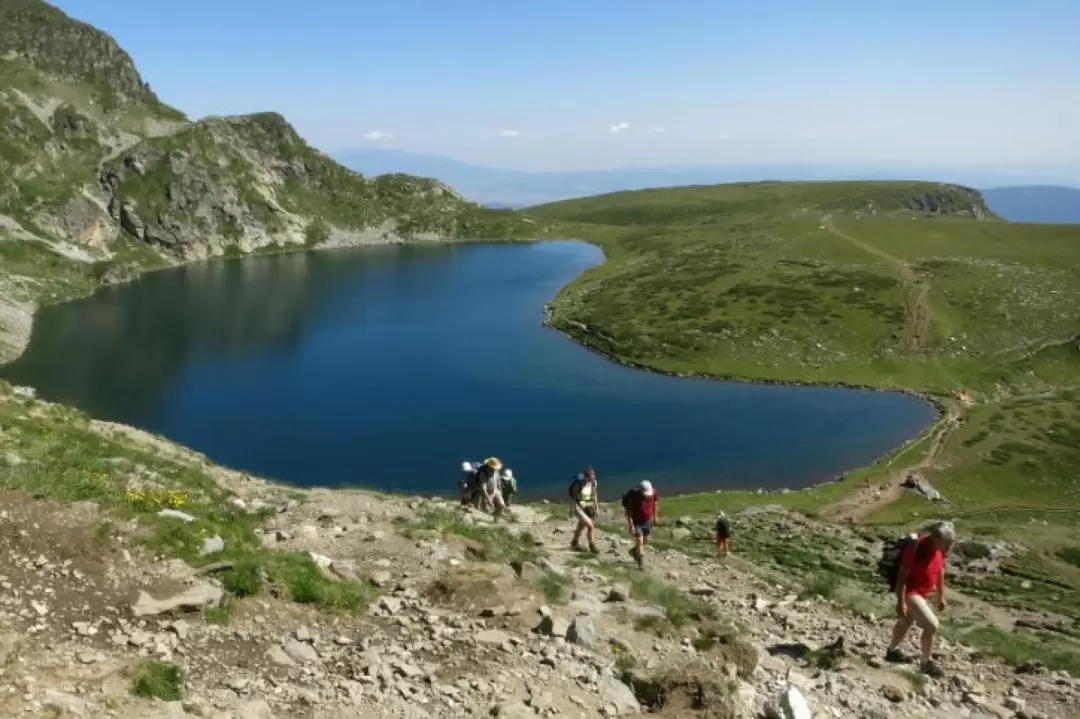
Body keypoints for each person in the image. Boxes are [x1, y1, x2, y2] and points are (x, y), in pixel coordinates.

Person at [885, 520, 955, 678]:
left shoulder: (940, 549)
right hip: (911, 593)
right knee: (932, 626)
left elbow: (939, 571)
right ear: (937, 538)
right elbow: (902, 577)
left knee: (906, 621)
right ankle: (925, 662)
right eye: (947, 543)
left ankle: (892, 651)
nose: (949, 547)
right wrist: (900, 602)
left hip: (924, 593)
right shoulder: (916, 548)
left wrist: (941, 596)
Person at [622, 480, 659, 569]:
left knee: (645, 541)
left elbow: (655, 503)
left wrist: (655, 516)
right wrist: (631, 525)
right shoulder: (634, 497)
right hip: (637, 522)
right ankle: (641, 563)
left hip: (648, 521)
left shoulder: (653, 492)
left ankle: (634, 551)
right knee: (640, 541)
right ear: (640, 491)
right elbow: (629, 512)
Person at [569, 466, 600, 553]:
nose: (592, 479)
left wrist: (597, 508)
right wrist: (571, 510)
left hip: (588, 506)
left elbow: (595, 496)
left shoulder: (594, 483)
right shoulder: (578, 485)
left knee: (581, 526)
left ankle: (574, 542)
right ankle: (592, 545)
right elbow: (573, 498)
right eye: (590, 478)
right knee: (590, 526)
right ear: (586, 477)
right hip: (578, 507)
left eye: (593, 477)